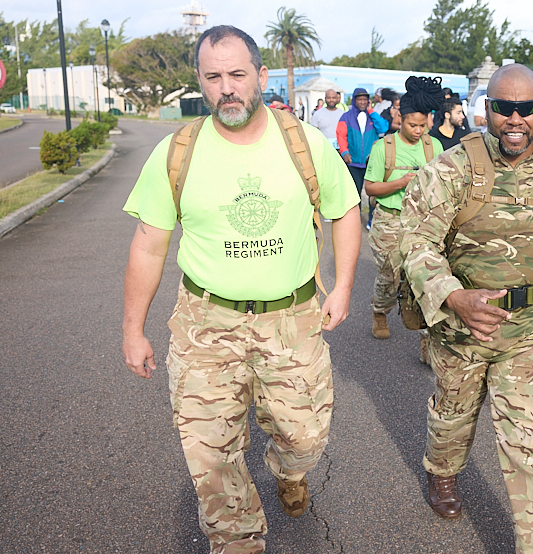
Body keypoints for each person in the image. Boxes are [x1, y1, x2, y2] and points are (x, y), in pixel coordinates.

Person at [120, 25, 362, 554]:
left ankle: (287, 472)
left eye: (237, 74)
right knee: (210, 456)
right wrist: (132, 329)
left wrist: (342, 286)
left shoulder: (304, 143)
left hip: (292, 320)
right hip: (205, 325)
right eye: (213, 77)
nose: (227, 88)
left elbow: (344, 209)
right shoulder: (176, 152)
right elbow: (147, 245)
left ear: (260, 76)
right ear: (201, 83)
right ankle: (238, 540)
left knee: (304, 439)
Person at [400, 63, 533, 553]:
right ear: (486, 109)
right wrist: (451, 295)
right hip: (459, 325)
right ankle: (441, 474)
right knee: (453, 415)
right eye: (503, 108)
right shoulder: (453, 166)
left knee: (530, 441)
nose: (515, 119)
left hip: (530, 327)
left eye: (527, 109)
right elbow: (415, 238)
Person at [363, 76, 444, 340]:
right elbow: (371, 188)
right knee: (390, 276)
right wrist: (400, 182)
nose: (419, 130)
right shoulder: (383, 148)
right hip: (390, 221)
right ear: (400, 117)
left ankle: (425, 338)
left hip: (423, 222)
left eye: (423, 125)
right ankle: (379, 310)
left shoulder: (435, 147)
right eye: (412, 125)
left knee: (423, 278)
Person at [337, 87, 386, 195]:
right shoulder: (346, 117)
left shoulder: (373, 115)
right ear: (354, 100)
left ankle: (372, 213)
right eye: (359, 99)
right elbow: (341, 136)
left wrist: (371, 111)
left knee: (373, 194)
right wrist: (344, 152)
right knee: (354, 194)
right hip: (353, 163)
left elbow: (383, 129)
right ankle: (356, 212)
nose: (362, 102)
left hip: (372, 162)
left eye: (365, 99)